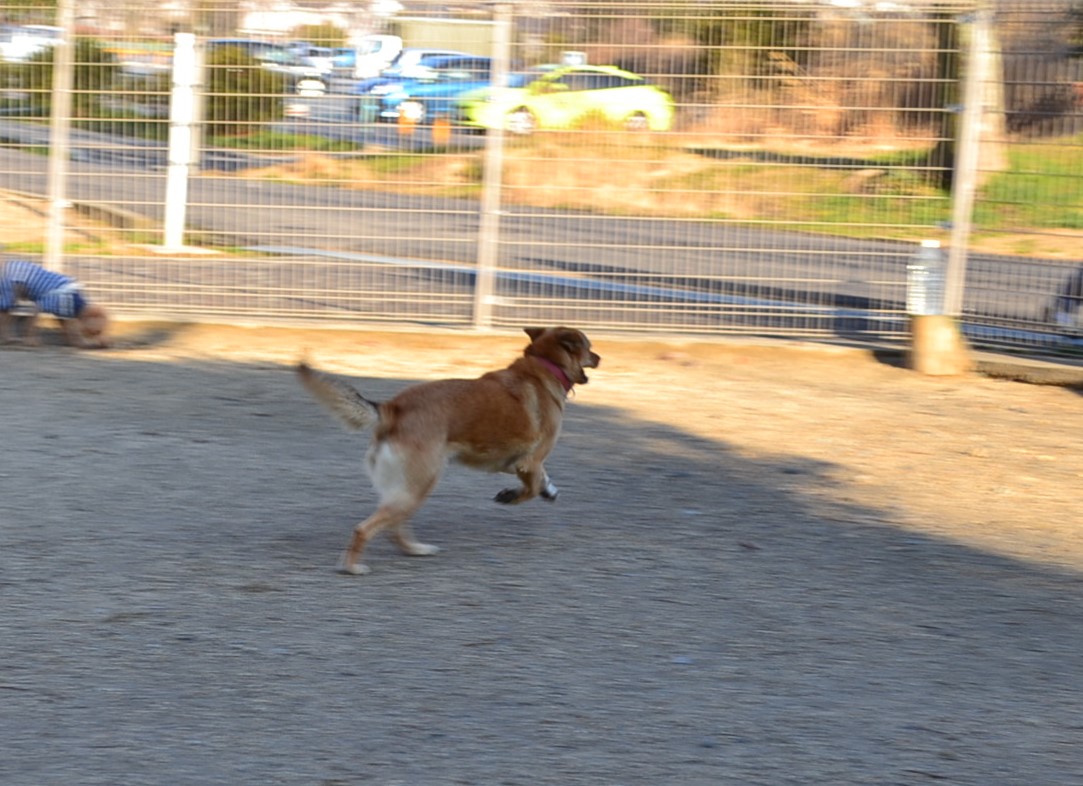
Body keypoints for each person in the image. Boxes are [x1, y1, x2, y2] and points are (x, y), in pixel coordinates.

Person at [0, 259, 110, 347]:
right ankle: (4, 337)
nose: (97, 334)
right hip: (13, 275)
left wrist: (79, 342)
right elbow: (37, 308)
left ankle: (5, 337)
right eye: (97, 332)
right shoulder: (66, 301)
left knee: (6, 306)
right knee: (5, 307)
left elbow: (65, 323)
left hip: (18, 270)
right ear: (87, 319)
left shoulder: (71, 303)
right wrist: (30, 336)